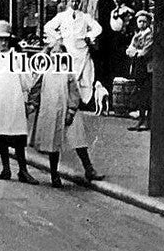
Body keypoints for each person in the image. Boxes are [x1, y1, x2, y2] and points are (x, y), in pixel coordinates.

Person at [27, 38, 105, 188]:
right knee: (52, 144)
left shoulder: (68, 72)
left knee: (78, 140)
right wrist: (31, 106)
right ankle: (54, 175)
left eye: (59, 53)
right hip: (50, 110)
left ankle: (89, 169)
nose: (56, 55)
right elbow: (35, 90)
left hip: (68, 111)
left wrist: (71, 110)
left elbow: (74, 93)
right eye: (53, 53)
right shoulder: (44, 72)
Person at [0, 20, 37, 184]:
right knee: (1, 135)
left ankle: (23, 170)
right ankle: (6, 168)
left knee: (17, 136)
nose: (3, 42)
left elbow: (27, 82)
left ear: (10, 40)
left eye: (5, 39)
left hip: (14, 101)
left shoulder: (18, 58)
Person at [43, 0, 102, 104]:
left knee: (85, 76)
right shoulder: (62, 16)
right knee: (69, 76)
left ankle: (83, 101)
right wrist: (58, 37)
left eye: (77, 1)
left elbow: (98, 28)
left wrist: (88, 36)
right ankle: (68, 100)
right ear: (69, 2)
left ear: (80, 3)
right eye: (72, 1)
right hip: (68, 50)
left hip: (82, 50)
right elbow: (47, 27)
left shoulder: (84, 17)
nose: (75, 3)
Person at [125, 11, 154, 131]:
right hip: (139, 67)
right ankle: (141, 119)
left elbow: (144, 52)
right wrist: (135, 51)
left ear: (148, 22)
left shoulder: (150, 35)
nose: (141, 23)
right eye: (139, 21)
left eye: (144, 21)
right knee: (140, 93)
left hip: (147, 68)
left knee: (148, 93)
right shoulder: (137, 35)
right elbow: (129, 50)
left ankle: (149, 121)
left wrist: (136, 52)